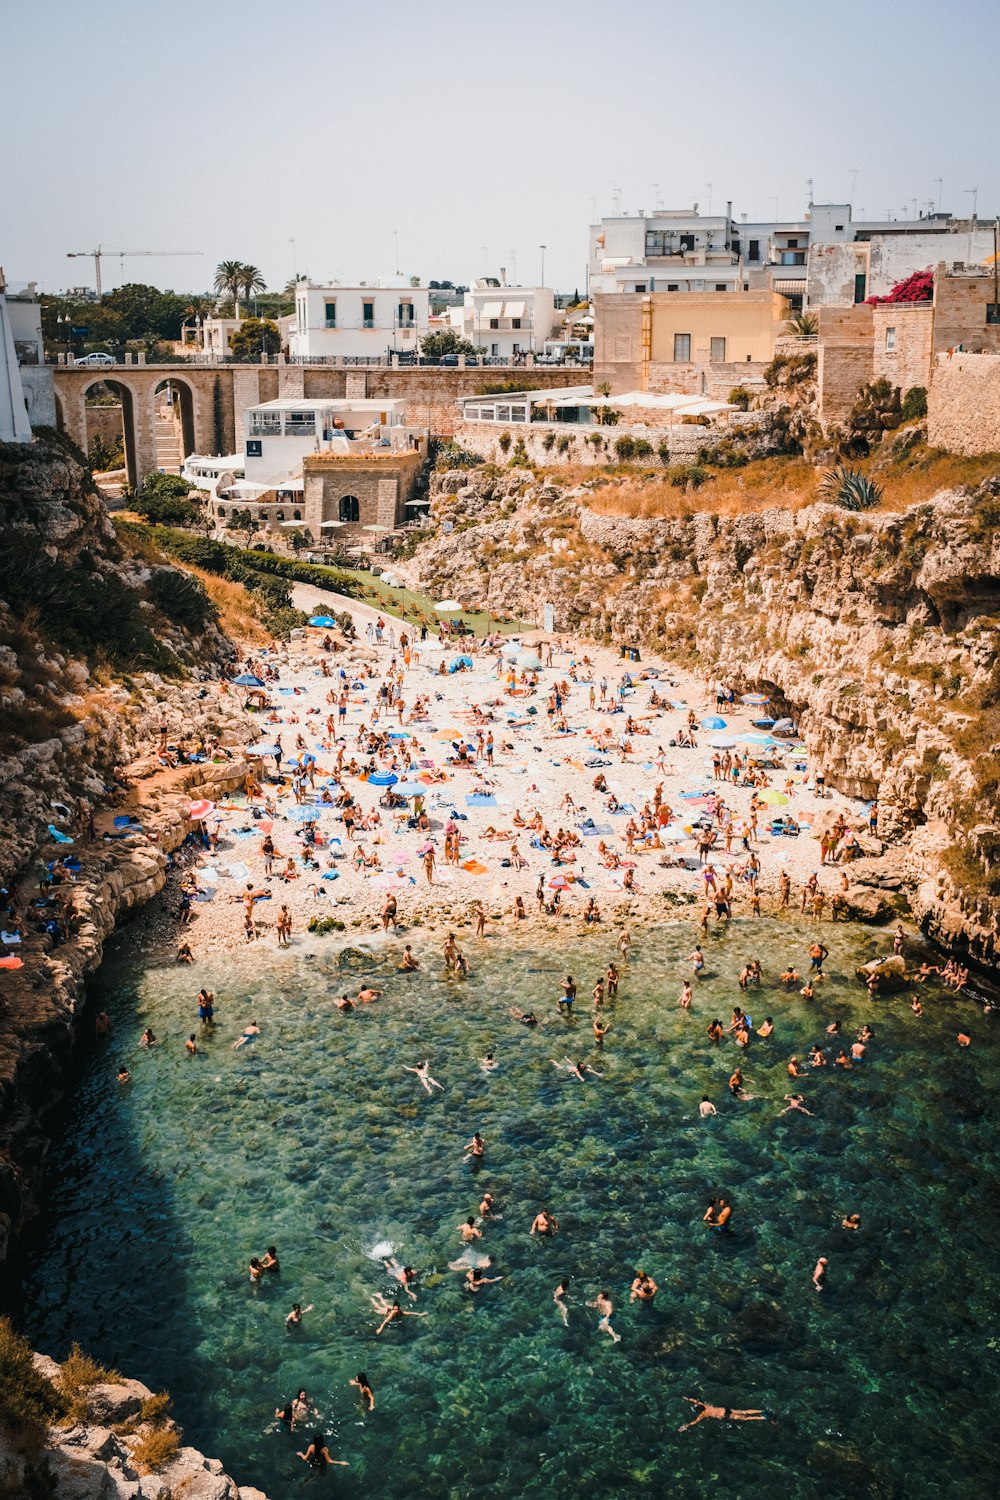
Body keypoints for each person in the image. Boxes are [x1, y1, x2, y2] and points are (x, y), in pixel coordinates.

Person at [678, 1398, 768, 1431]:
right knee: (744, 1412)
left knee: (745, 1418)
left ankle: (762, 1417)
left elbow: (695, 1422)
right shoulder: (703, 1405)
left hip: (724, 1415)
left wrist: (687, 1425)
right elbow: (695, 1400)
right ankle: (761, 1410)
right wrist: (687, 1399)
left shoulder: (703, 1414)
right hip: (725, 1409)